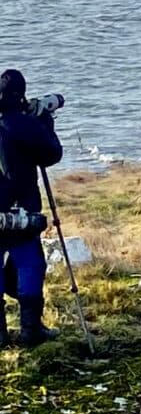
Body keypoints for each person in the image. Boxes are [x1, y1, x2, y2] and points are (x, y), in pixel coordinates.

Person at [0, 69, 63, 347]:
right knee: (29, 263)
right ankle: (30, 330)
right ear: (20, 95)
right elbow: (51, 154)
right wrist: (45, 122)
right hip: (21, 210)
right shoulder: (22, 124)